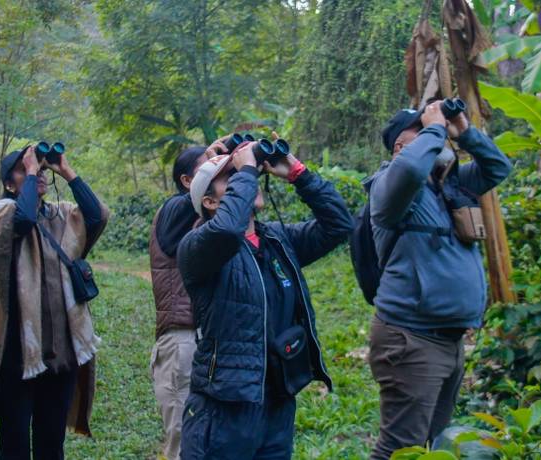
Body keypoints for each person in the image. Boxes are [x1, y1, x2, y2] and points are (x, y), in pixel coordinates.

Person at [177, 141, 354, 459]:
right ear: (210, 201)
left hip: (277, 400)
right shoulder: (197, 247)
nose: (248, 178)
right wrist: (245, 166)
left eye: (246, 174)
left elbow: (339, 225)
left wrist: (298, 173)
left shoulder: (277, 239)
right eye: (230, 177)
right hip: (224, 408)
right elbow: (228, 231)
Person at [367, 101, 512, 459]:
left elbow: (498, 167)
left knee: (432, 443)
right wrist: (433, 130)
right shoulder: (392, 187)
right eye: (427, 130)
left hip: (447, 341)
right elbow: (408, 171)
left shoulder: (447, 185)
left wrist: (466, 134)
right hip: (411, 340)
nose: (440, 134)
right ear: (402, 146)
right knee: (400, 448)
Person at [0, 145, 109, 459]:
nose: (38, 175)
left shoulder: (58, 215)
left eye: (39, 170)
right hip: (19, 355)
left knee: (51, 442)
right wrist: (32, 170)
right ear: (10, 183)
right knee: (16, 443)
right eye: (23, 170)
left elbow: (96, 215)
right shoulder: (1, 213)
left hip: (61, 353)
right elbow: (22, 220)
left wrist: (65, 169)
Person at [149, 146, 207, 460]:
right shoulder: (174, 209)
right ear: (187, 181)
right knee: (182, 438)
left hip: (206, 339)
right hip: (181, 341)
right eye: (207, 168)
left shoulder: (206, 215)